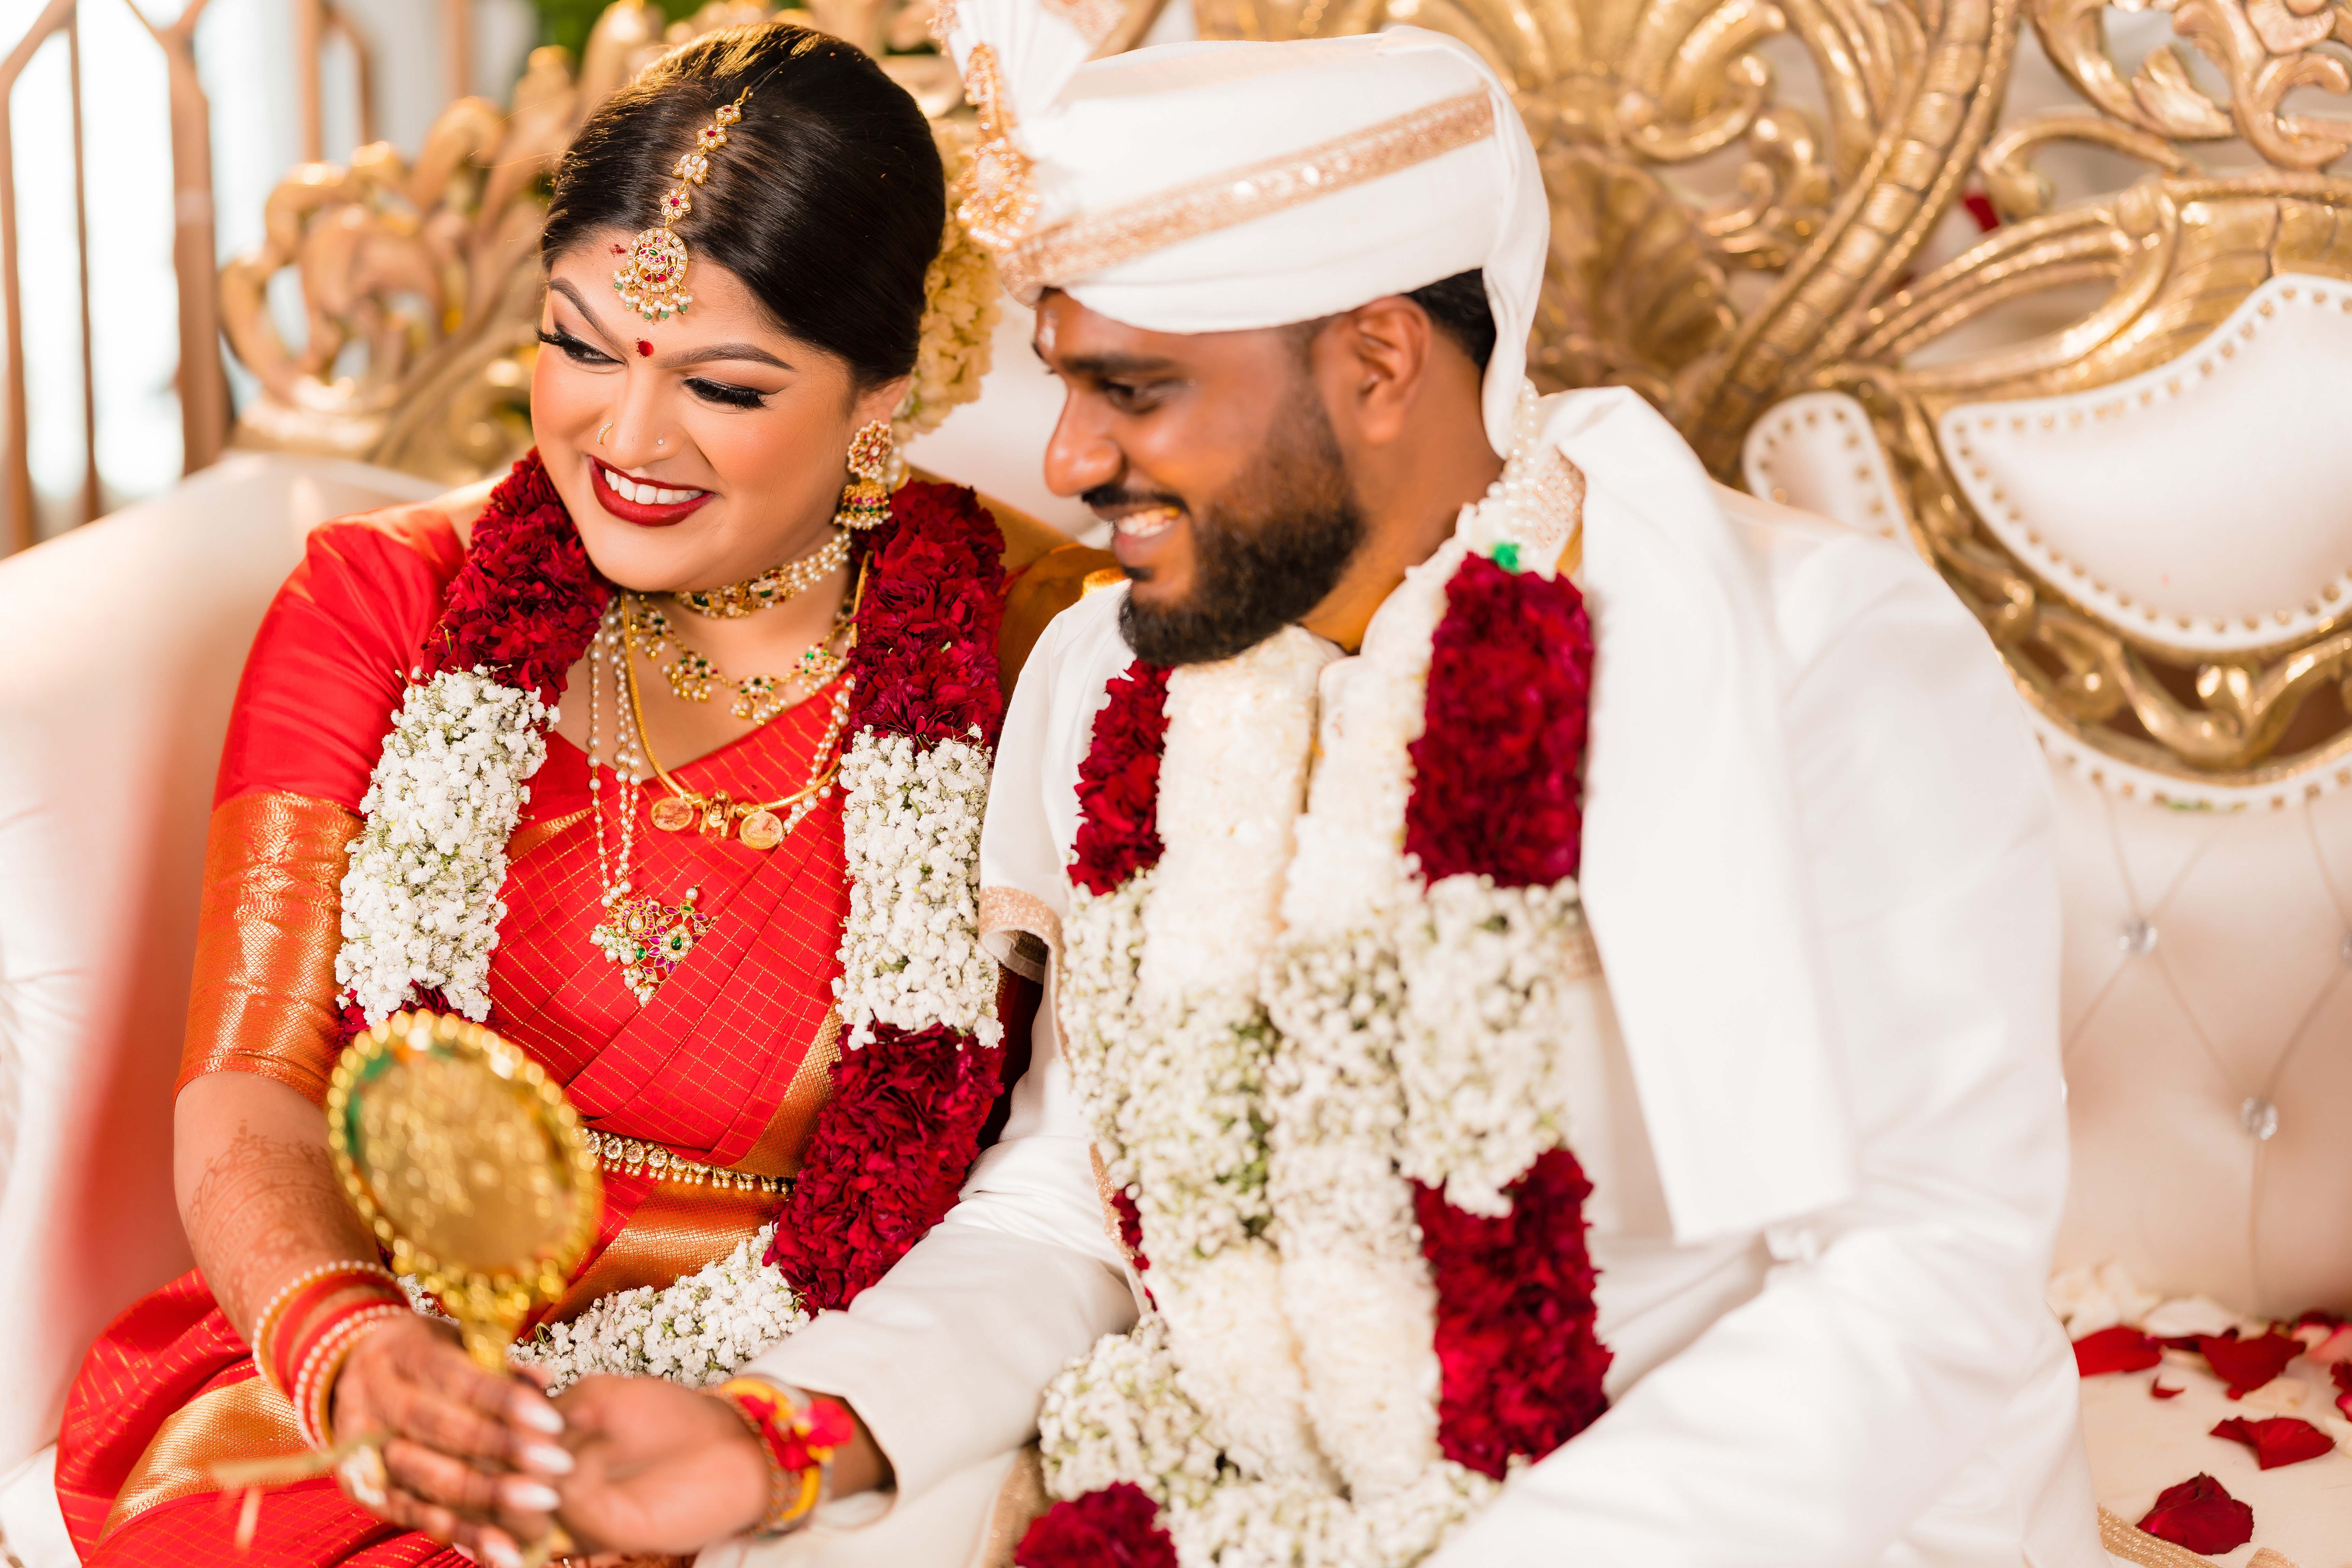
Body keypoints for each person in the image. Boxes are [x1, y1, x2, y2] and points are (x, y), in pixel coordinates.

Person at [500, 6, 2114, 1566]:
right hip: (1240, 1480)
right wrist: (788, 1433)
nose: (1064, 463)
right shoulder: (1111, 677)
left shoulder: (1815, 658)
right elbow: (1072, 1210)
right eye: (1064, 381)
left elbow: (1920, 1282)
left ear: (1379, 362)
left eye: (1134, 390)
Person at [51, 23, 1131, 1568]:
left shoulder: (1036, 652)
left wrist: (775, 1433)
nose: (626, 440)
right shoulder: (388, 606)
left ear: (882, 397)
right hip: (387, 1362)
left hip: (806, 1391)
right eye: (580, 345)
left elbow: (1071, 1183)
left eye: (724, 385)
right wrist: (355, 1351)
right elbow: (252, 1081)